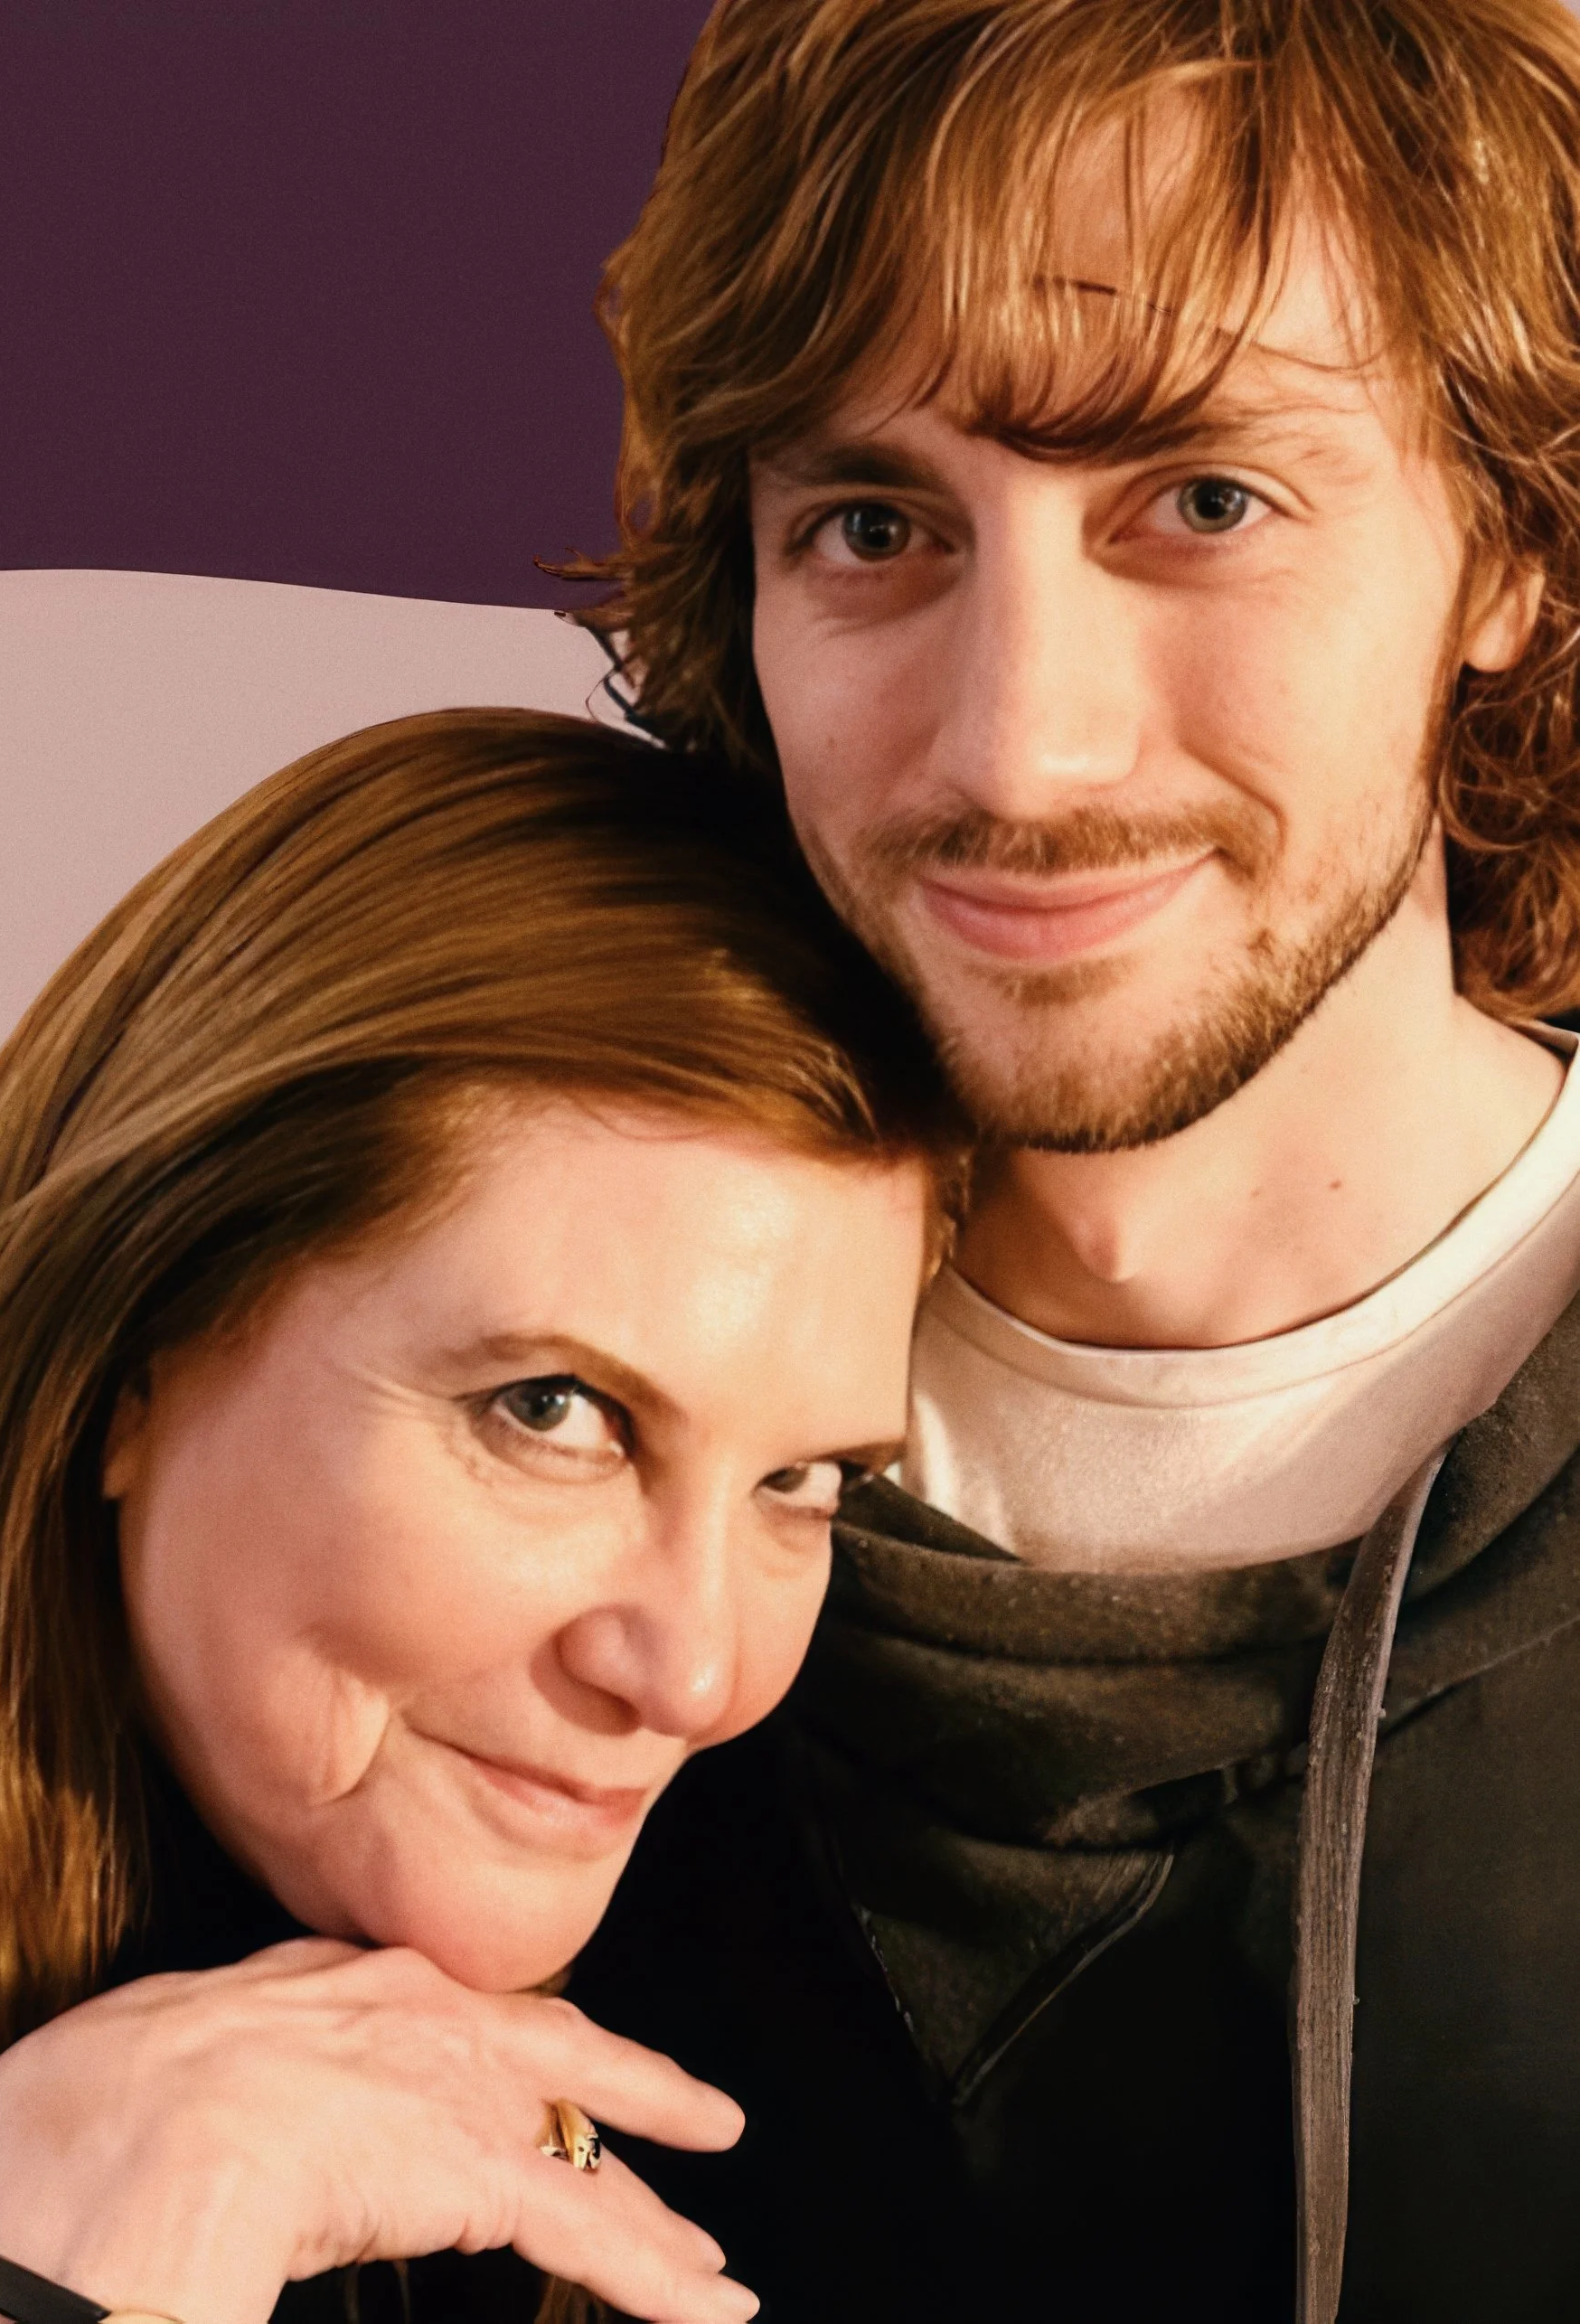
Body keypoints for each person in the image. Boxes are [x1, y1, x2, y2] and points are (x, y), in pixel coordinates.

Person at [544, 1, 1580, 2318]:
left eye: (1202, 500)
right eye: (876, 525)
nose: (1021, 737)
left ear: (1507, 543)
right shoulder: (460, 1422)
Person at [0, 708, 964, 2324]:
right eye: (554, 1413)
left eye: (797, 1481)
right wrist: (62, 2279)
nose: (692, 1675)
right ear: (127, 1347)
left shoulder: (758, 1951)